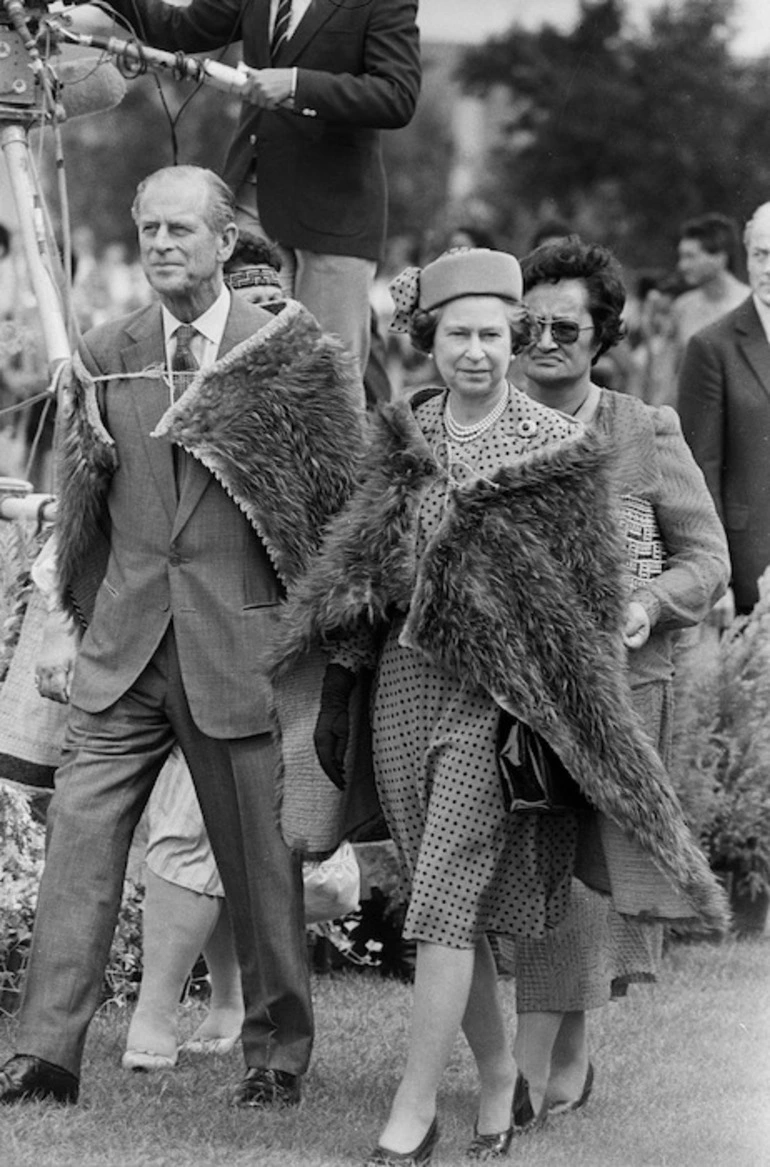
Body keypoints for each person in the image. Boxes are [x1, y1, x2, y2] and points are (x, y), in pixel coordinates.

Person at [270, 247, 728, 1164]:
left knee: (442, 896)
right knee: (452, 906)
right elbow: (359, 569)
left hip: (500, 703)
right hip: (402, 693)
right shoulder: (399, 436)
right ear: (428, 341)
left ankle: (412, 1111)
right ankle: (496, 1083)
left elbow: (592, 596)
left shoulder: (560, 452)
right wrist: (342, 677)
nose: (476, 351)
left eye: (492, 334)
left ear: (513, 339)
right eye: (457, 335)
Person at [0, 164, 364, 1108]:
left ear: (223, 238)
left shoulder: (286, 352)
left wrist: (317, 649)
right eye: (149, 229)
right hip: (123, 650)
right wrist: (72, 622)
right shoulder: (103, 351)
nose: (162, 244)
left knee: (259, 868)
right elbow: (83, 506)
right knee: (79, 841)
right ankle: (45, 1055)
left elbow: (336, 512)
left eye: (180, 230)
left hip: (240, 652)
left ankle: (276, 1056)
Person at [509, 235, 730, 1127]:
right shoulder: (490, 422)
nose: (549, 337)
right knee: (534, 874)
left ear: (604, 333)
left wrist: (648, 601)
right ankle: (539, 1061)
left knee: (596, 879)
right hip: (516, 696)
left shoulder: (646, 429)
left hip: (625, 694)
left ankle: (559, 1058)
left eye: (570, 324)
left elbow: (707, 557)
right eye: (534, 322)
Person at [69, 0, 422, 397]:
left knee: (325, 387)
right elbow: (182, 29)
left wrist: (295, 84)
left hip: (334, 217)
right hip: (252, 199)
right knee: (240, 371)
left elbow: (397, 94)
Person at [678, 202, 770, 616]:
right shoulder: (713, 347)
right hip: (753, 566)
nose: (768, 268)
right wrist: (718, 577)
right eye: (761, 255)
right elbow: (700, 472)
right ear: (746, 257)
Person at [672, 212, 749, 358]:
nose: (682, 266)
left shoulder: (751, 306)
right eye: (681, 257)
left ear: (720, 257)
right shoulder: (683, 307)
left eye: (690, 256)